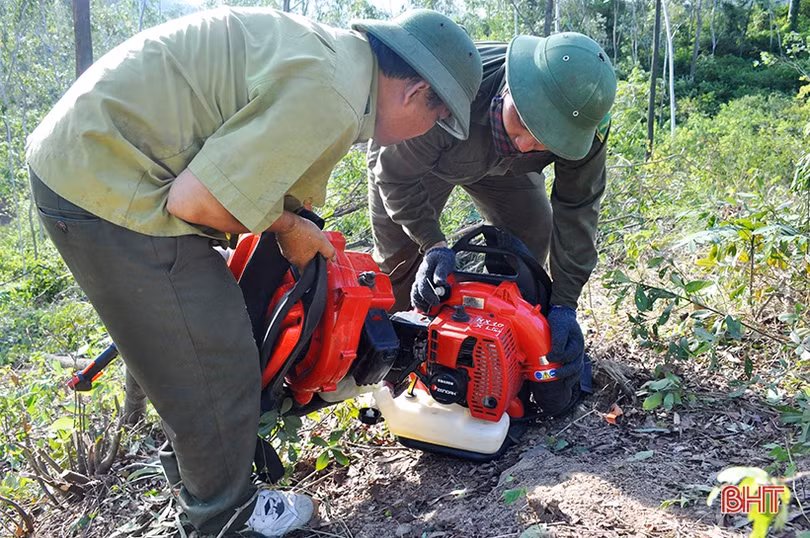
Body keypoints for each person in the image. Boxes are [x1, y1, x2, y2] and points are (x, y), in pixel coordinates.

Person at [26, 7, 482, 537]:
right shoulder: (332, 96)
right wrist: (288, 227)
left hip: (100, 153)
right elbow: (197, 202)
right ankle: (226, 518)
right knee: (214, 352)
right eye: (435, 118)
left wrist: (292, 224)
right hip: (101, 173)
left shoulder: (340, 67)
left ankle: (199, 481)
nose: (427, 133)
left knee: (205, 334)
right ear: (415, 92)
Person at [366, 32, 617, 415]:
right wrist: (433, 244)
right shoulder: (447, 86)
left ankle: (505, 351)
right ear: (511, 88)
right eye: (524, 121)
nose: (527, 143)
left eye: (547, 140)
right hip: (421, 155)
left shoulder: (582, 126)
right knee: (399, 265)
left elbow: (577, 209)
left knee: (532, 232)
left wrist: (565, 304)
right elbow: (396, 178)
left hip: (506, 171)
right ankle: (394, 367)